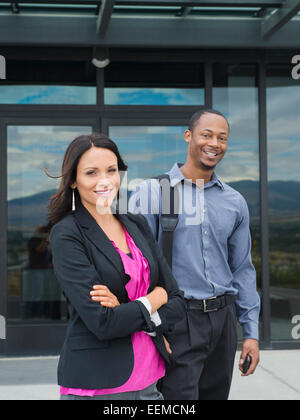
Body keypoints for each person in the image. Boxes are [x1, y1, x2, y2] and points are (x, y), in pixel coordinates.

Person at [129, 109, 261, 400]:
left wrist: (250, 332)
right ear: (188, 136)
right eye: (207, 134)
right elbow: (137, 266)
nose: (214, 143)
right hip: (178, 319)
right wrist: (148, 325)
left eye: (222, 138)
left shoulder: (234, 201)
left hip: (223, 321)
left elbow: (242, 269)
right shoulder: (156, 192)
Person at [48, 133, 185, 400]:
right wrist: (153, 299)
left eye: (112, 170)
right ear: (73, 180)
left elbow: (177, 300)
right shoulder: (67, 234)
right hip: (97, 386)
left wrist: (132, 311)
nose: (105, 180)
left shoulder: (136, 225)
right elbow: (103, 323)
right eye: (91, 172)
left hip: (150, 382)